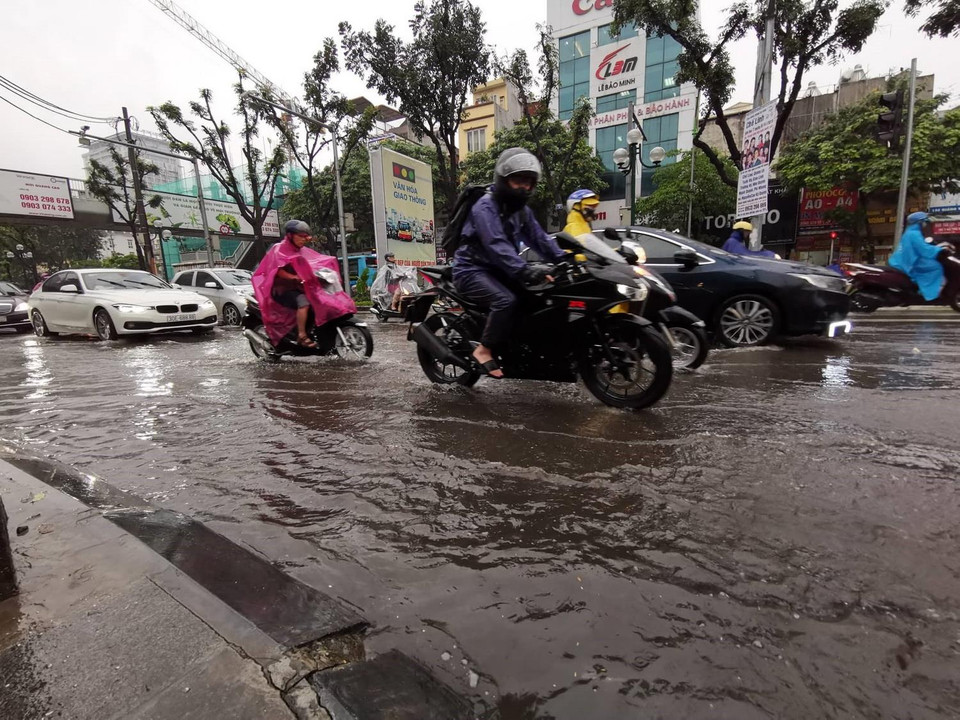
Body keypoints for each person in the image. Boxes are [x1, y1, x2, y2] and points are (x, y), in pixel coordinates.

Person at [452, 147, 565, 378]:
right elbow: (496, 244)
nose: (525, 187)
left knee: (538, 298)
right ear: (503, 180)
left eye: (529, 182)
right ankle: (484, 349)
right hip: (470, 270)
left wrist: (564, 258)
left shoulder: (521, 211)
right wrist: (524, 270)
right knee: (505, 301)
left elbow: (540, 239)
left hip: (499, 270)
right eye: (518, 180)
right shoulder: (485, 206)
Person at [264, 220, 316, 347]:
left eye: (305, 237)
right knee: (304, 303)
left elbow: (316, 262)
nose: (303, 239)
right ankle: (302, 335)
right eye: (300, 236)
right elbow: (277, 270)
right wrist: (293, 277)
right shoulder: (278, 249)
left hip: (298, 287)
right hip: (282, 290)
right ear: (290, 235)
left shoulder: (302, 251)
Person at [889, 211, 950, 301]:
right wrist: (938, 249)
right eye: (925, 221)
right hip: (909, 263)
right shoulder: (915, 234)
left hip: (903, 260)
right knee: (936, 267)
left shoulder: (910, 232)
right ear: (920, 222)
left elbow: (921, 247)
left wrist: (936, 247)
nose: (926, 224)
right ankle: (928, 293)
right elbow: (924, 250)